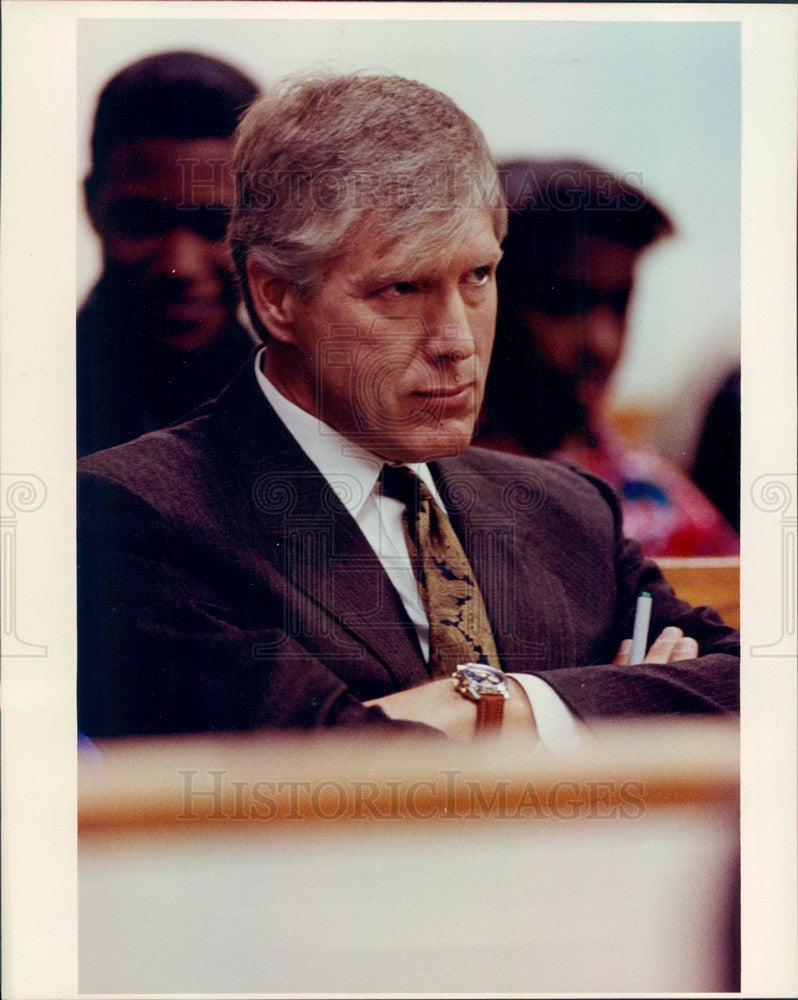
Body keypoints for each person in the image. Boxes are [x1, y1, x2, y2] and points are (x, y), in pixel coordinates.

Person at [77, 74, 738, 745]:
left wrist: (508, 705)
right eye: (403, 287)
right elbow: (332, 765)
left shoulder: (569, 509)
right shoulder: (129, 515)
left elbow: (756, 684)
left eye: (477, 276)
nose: (456, 341)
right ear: (277, 298)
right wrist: (608, 708)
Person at [477, 159, 739, 558]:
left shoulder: (659, 501)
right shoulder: (420, 492)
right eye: (562, 301)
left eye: (619, 303)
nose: (602, 342)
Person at [78, 51, 261, 458]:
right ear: (91, 204)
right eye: (143, 220)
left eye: (218, 225)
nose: (181, 265)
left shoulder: (316, 416)